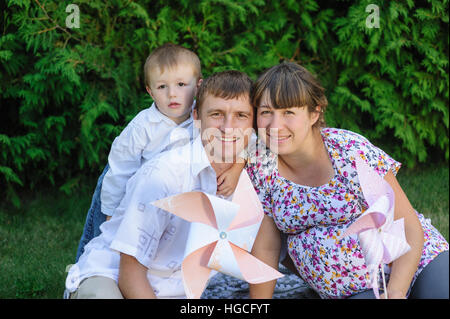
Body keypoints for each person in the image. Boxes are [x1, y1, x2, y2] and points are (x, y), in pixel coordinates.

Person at [247, 62, 449, 299]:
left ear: (315, 113)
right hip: (354, 290)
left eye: (288, 112)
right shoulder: (262, 169)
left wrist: (396, 292)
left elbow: (408, 225)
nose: (275, 125)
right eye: (266, 112)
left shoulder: (349, 151)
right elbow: (267, 247)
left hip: (414, 260)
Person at [65, 70, 256, 298]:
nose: (228, 127)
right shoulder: (164, 175)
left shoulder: (253, 173)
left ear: (254, 122)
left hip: (172, 287)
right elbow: (130, 274)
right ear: (196, 116)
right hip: (112, 274)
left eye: (241, 116)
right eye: (216, 114)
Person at [74, 43, 242, 262]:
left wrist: (237, 168)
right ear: (150, 91)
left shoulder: (206, 119)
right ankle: (81, 274)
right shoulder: (143, 127)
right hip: (129, 193)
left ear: (198, 86)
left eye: (181, 84)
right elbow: (119, 175)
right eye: (162, 87)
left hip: (170, 199)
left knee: (156, 250)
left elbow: (248, 141)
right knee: (100, 245)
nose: (172, 94)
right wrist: (111, 218)